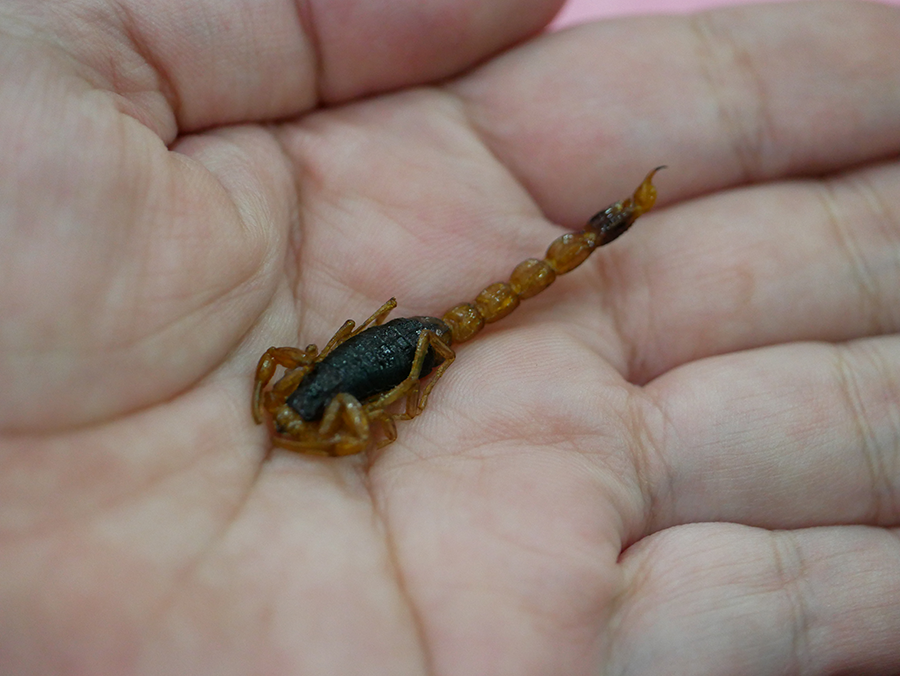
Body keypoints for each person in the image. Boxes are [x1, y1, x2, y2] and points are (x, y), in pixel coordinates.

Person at [1, 0, 898, 673]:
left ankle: (610, 224)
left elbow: (350, 407)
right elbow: (324, 392)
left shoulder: (305, 400)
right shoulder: (297, 397)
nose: (281, 410)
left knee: (427, 346)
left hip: (406, 345)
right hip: (379, 350)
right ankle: (607, 226)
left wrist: (370, 404)